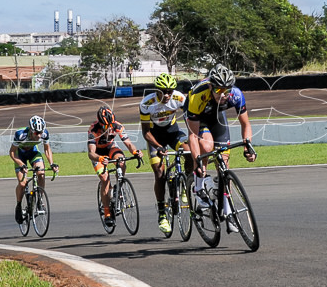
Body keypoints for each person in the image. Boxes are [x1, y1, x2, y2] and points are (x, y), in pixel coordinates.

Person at [183, 64, 256, 223]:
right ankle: (199, 186)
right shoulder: (198, 96)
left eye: (226, 90)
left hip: (216, 116)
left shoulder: (235, 94)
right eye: (218, 90)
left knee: (224, 161)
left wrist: (248, 146)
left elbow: (246, 125)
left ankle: (227, 208)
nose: (223, 95)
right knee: (207, 146)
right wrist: (197, 160)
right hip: (198, 115)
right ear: (210, 86)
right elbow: (193, 137)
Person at [139, 72, 188, 235]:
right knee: (159, 172)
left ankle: (185, 185)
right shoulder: (147, 103)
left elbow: (191, 118)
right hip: (154, 136)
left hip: (173, 132)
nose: (167, 95)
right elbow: (145, 132)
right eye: (164, 91)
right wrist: (158, 146)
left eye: (170, 91)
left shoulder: (180, 98)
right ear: (157, 91)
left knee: (188, 151)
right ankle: (162, 213)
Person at [87, 105, 142, 227]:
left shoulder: (117, 125)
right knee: (104, 179)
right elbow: (91, 153)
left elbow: (128, 143)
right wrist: (100, 158)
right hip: (98, 154)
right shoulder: (93, 130)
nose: (110, 128)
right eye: (107, 126)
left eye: (111, 124)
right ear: (101, 124)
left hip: (111, 148)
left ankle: (119, 184)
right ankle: (107, 212)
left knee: (121, 161)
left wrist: (135, 151)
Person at [10, 115, 59, 225]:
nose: (39, 135)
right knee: (22, 184)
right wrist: (21, 164)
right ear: (31, 130)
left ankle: (40, 200)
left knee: (41, 173)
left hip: (33, 153)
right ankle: (18, 205)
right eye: (37, 133)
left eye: (41, 132)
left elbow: (47, 149)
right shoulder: (20, 135)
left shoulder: (44, 133)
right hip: (20, 155)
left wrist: (51, 163)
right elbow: (12, 152)